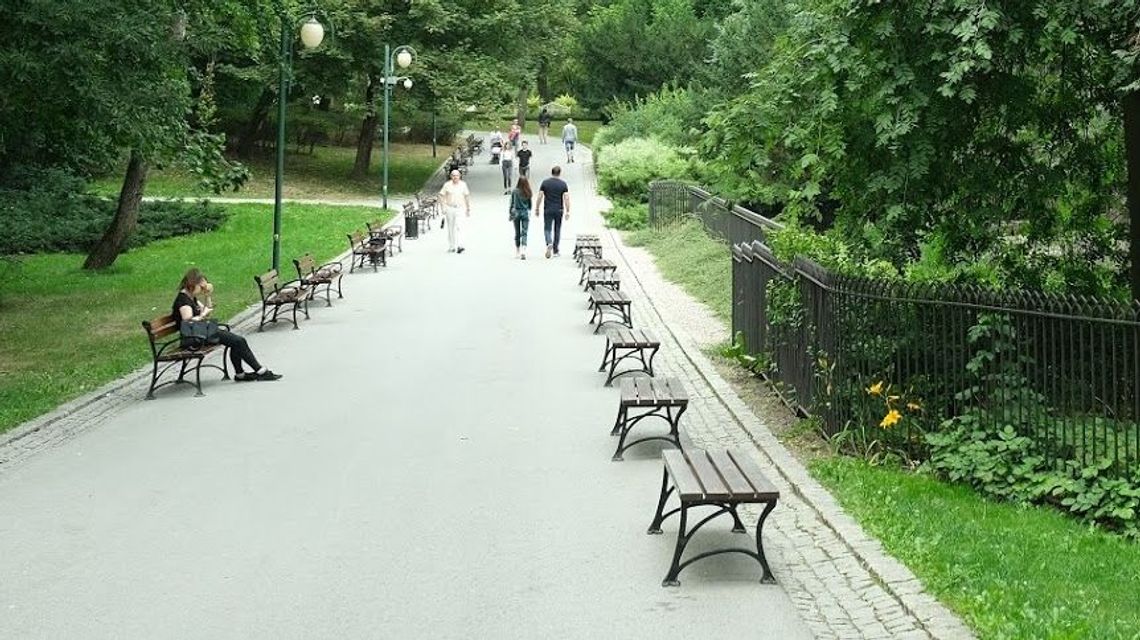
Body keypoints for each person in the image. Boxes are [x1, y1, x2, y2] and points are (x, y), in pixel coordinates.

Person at [173, 269, 282, 382]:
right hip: (192, 338)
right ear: (192, 284)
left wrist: (207, 295)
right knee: (238, 341)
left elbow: (208, 310)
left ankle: (241, 374)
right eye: (201, 287)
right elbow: (188, 321)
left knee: (237, 341)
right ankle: (260, 371)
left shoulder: (191, 297)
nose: (202, 290)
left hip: (201, 331)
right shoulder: (183, 300)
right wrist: (202, 315)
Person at [535, 165, 570, 258]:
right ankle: (555, 250)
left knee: (547, 228)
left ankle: (549, 242)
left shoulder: (545, 183)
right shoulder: (563, 184)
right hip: (559, 209)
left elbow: (540, 196)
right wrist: (568, 211)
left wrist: (537, 208)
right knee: (557, 229)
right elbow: (566, 198)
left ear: (551, 172)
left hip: (548, 209)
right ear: (559, 173)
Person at [439, 169, 471, 254]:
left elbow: (467, 196)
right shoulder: (447, 185)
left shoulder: (463, 185)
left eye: (457, 175)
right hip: (450, 208)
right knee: (450, 228)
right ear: (451, 176)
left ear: (459, 176)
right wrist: (443, 207)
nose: (455, 177)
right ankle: (452, 246)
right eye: (453, 175)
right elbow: (441, 195)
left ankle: (460, 245)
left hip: (460, 208)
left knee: (460, 226)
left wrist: (468, 208)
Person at [508, 176, 533, 259]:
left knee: (517, 232)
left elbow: (512, 203)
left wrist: (510, 213)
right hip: (525, 212)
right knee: (524, 232)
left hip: (516, 212)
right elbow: (530, 204)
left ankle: (517, 250)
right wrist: (529, 211)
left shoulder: (515, 191)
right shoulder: (528, 191)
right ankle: (524, 250)